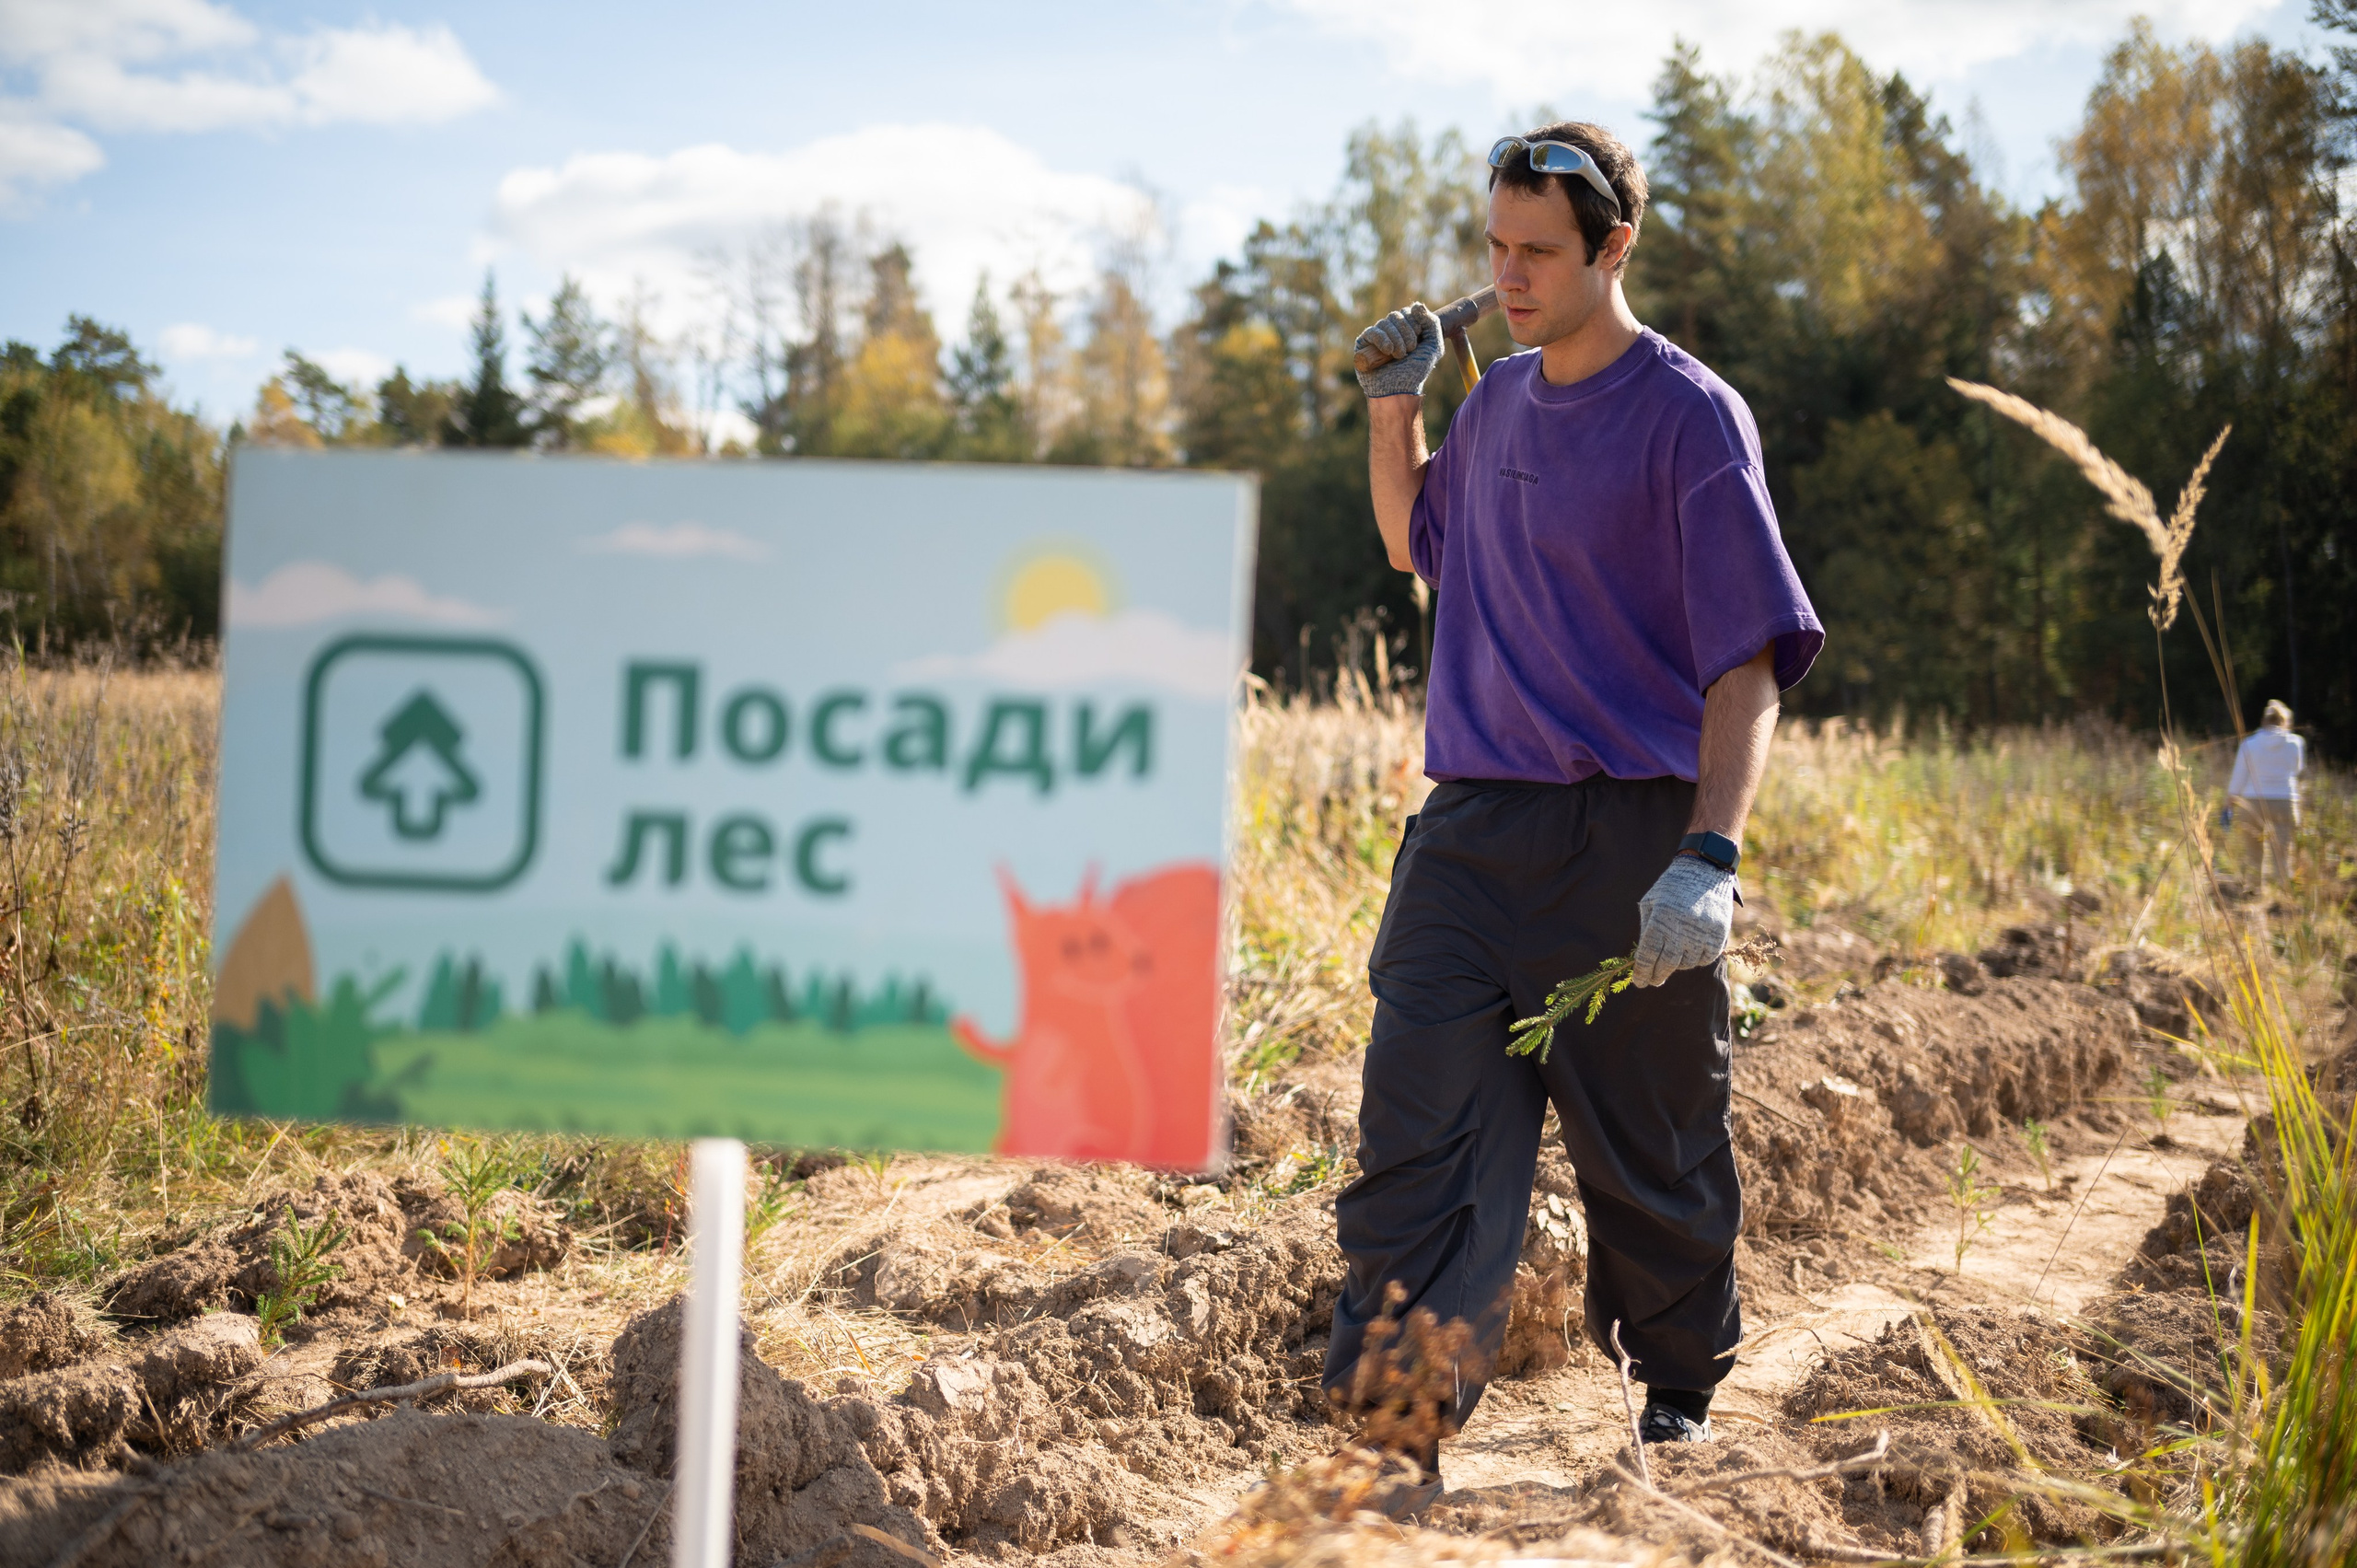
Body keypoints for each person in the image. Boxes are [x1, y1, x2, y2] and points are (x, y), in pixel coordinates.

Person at [1329, 121, 1823, 1510]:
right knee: (1417, 1136)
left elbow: (1746, 659)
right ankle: (1397, 1432)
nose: (1509, 275)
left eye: (1538, 251)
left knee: (1651, 1144)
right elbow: (1410, 539)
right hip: (1470, 834)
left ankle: (1676, 1395)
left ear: (1616, 247)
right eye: (1496, 247)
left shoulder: (1689, 416)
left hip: (1631, 836)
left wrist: (1709, 854)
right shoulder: (1491, 403)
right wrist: (1392, 406)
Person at [2227, 702, 2304, 887]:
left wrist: (2229, 802)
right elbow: (2297, 769)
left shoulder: (2249, 743)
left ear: (2263, 721)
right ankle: (2282, 892)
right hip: (2284, 801)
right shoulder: (2295, 743)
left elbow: (2239, 776)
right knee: (2282, 852)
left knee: (2253, 851)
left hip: (2253, 801)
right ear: (2285, 722)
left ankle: (2254, 889)